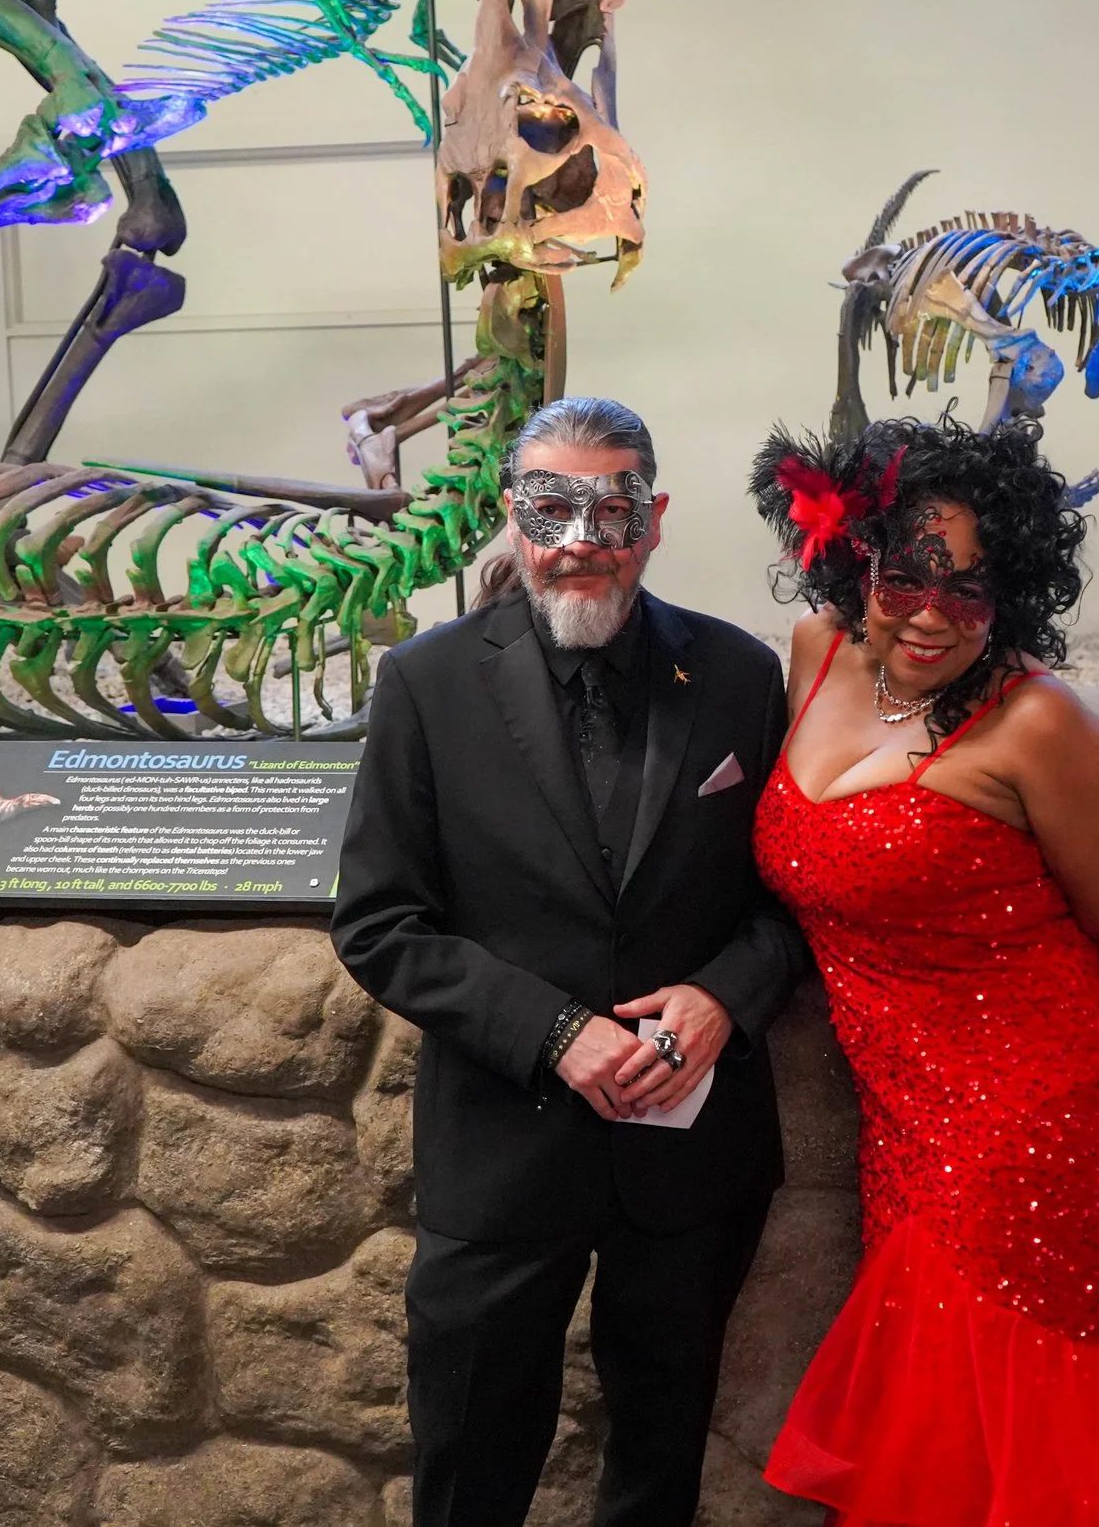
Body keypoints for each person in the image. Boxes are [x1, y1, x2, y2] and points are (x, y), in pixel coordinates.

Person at [746, 415, 1099, 1526]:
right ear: (854, 559)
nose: (930, 614)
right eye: (905, 577)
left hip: (1036, 1124)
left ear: (1013, 590)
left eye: (969, 589)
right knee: (947, 1419)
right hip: (905, 1121)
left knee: (1025, 1417)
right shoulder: (816, 654)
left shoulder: (1042, 724)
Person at [332, 396, 811, 1527]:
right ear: (513, 515)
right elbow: (381, 922)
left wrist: (723, 997)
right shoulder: (428, 683)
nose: (581, 540)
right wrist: (555, 1032)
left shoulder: (739, 675)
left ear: (655, 518)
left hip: (690, 1158)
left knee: (659, 1464)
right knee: (469, 1464)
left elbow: (794, 900)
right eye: (551, 509)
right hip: (504, 1147)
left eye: (613, 509)